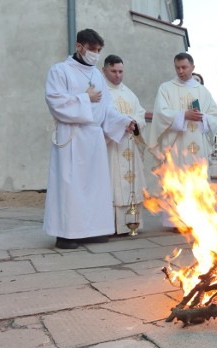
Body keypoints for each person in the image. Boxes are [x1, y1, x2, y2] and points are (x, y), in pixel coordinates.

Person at [44, 28, 136, 249]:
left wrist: (124, 121)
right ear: (79, 47)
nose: (95, 53)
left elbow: (107, 108)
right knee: (70, 186)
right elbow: (55, 101)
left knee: (95, 186)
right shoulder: (60, 70)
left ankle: (93, 230)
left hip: (93, 137)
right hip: (72, 135)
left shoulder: (96, 74)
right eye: (92, 49)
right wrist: (85, 98)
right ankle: (66, 234)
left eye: (98, 50)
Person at [148, 52, 217, 229]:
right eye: (177, 67)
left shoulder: (202, 91)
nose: (180, 71)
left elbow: (214, 116)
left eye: (184, 67)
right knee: (177, 180)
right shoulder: (166, 88)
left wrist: (202, 118)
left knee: (198, 182)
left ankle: (197, 219)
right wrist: (183, 115)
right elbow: (160, 114)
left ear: (192, 67)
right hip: (177, 145)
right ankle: (177, 221)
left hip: (198, 145)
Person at [102, 54, 148, 235]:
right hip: (112, 146)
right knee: (113, 183)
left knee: (132, 184)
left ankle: (133, 223)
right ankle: (111, 226)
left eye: (120, 71)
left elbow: (140, 114)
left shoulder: (129, 93)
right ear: (104, 70)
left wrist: (134, 123)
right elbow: (101, 117)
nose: (117, 75)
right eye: (113, 71)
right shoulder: (101, 92)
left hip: (130, 144)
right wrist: (122, 124)